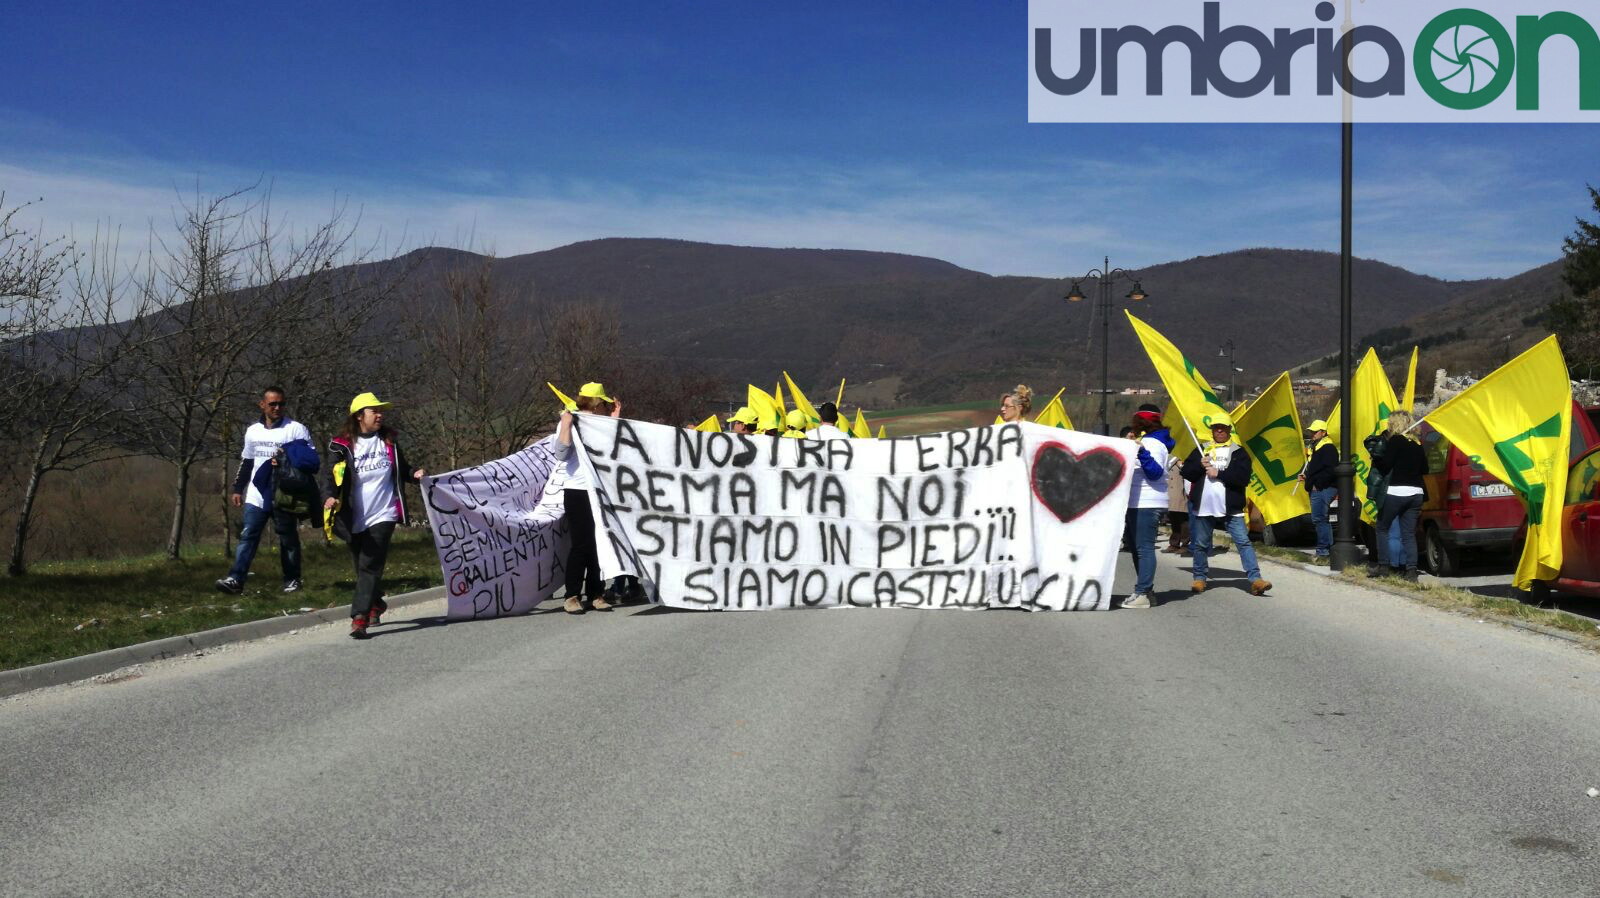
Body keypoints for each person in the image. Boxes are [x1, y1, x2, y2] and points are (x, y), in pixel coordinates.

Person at [322, 392, 425, 639]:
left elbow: (403, 468)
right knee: (362, 566)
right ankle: (376, 603)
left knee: (369, 564)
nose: (379, 415)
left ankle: (359, 618)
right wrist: (329, 496)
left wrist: (414, 475)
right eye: (373, 411)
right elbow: (329, 476)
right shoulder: (342, 445)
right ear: (359, 416)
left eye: (380, 411)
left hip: (384, 512)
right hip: (353, 515)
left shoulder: (388, 441)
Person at [216, 386, 314, 595]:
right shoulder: (253, 431)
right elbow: (247, 460)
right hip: (257, 494)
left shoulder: (295, 429)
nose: (277, 408)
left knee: (287, 538)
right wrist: (237, 488)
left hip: (284, 494)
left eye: (281, 403)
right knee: (248, 536)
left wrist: (286, 457)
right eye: (272, 404)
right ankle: (236, 579)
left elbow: (310, 460)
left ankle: (292, 580)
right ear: (262, 405)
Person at [1181, 415, 1272, 596]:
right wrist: (1199, 465)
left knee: (1243, 543)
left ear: (1229, 430)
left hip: (1231, 508)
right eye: (1216, 428)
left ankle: (1255, 580)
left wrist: (1219, 473)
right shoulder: (1202, 450)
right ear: (1212, 430)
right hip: (1204, 506)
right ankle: (1199, 578)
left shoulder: (1239, 452)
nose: (1219, 431)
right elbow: (1187, 473)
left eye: (1223, 427)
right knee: (1200, 544)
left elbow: (1243, 478)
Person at [556, 382, 623, 614]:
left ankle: (596, 593)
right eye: (604, 404)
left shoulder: (601, 424)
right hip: (577, 490)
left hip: (600, 491)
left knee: (599, 543)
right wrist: (565, 424)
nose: (605, 408)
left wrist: (615, 419)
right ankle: (572, 595)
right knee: (582, 544)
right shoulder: (570, 421)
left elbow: (612, 450)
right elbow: (561, 454)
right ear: (596, 404)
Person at [1367, 409, 1428, 581]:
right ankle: (1411, 571)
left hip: (1395, 492)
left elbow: (1385, 465)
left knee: (1382, 528)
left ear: (1395, 424)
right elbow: (1425, 469)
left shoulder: (1396, 441)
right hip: (1416, 493)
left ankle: (1384, 566)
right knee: (1408, 533)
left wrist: (1376, 458)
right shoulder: (1417, 444)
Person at [1123, 405, 1174, 609]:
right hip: (1136, 501)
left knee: (1143, 548)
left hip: (1147, 501)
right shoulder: (1146, 441)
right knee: (1136, 548)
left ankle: (1142, 592)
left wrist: (1141, 451)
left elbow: (1154, 472)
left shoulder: (1153, 444)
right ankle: (1147, 591)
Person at [1299, 418, 1339, 559]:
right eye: (1312, 432)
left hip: (1322, 489)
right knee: (1321, 519)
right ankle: (1326, 549)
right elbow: (1319, 469)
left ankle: (1323, 550)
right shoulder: (1318, 447)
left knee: (1319, 519)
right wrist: (1308, 477)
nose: (1312, 434)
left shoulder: (1327, 448)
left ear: (1323, 432)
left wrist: (1317, 484)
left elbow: (1330, 470)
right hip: (1319, 487)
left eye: (1315, 432)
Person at [1163, 450, 1190, 555]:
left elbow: (1187, 471)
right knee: (1173, 518)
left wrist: (1181, 464)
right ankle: (1174, 544)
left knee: (1183, 519)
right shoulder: (1168, 457)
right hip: (1170, 491)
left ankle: (1185, 544)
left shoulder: (1183, 456)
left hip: (1181, 492)